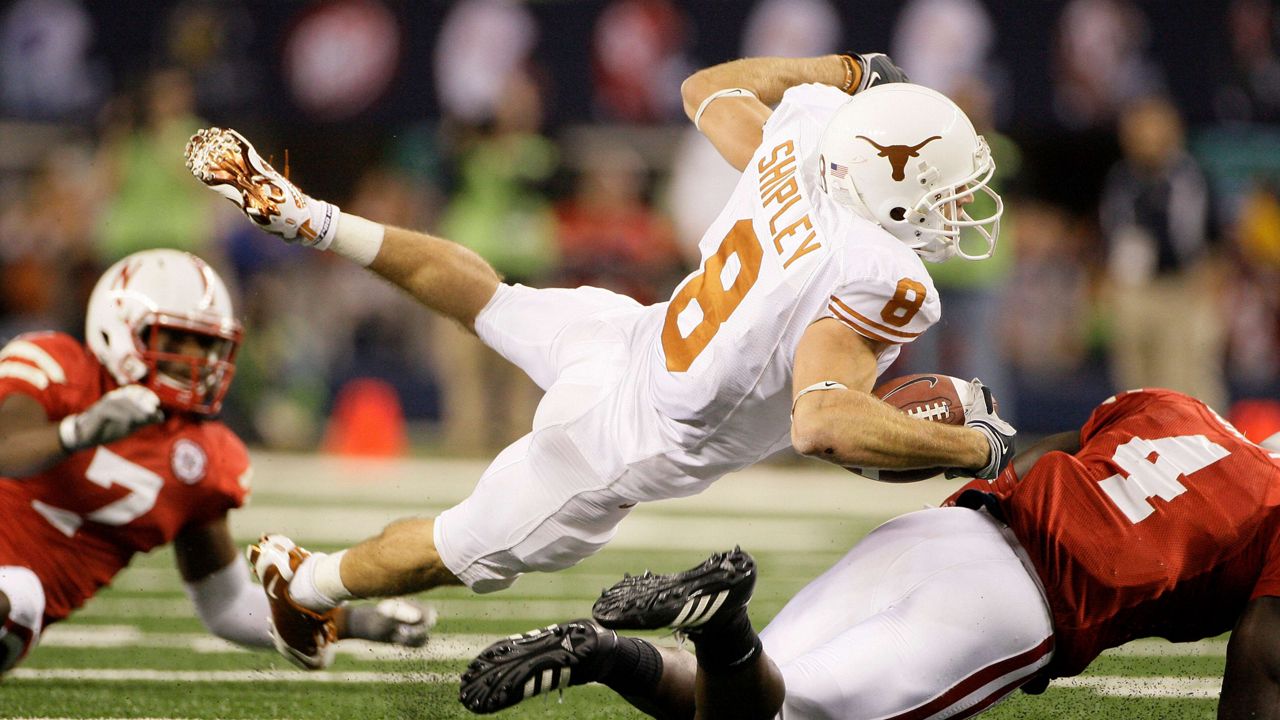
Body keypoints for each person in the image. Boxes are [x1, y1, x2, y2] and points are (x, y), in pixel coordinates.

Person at [185, 52, 1012, 670]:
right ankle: (308, 583)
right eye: (946, 189)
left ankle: (316, 220)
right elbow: (824, 420)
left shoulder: (796, 149)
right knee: (457, 550)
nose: (960, 207)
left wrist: (841, 70)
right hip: (619, 442)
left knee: (493, 300)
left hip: (627, 337)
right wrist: (977, 448)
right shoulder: (883, 274)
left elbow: (705, 89)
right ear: (893, 184)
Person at [461, 388, 1280, 719]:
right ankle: (716, 624)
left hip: (943, 534)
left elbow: (1021, 459)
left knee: (748, 701)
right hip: (1016, 609)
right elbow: (1263, 660)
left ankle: (608, 652)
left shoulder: (1176, 408)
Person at [0, 249, 431, 674]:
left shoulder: (199, 459)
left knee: (20, 597)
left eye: (206, 344)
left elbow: (227, 604)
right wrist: (77, 431)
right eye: (176, 340)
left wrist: (354, 622)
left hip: (12, 602)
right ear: (120, 331)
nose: (195, 361)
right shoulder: (58, 366)